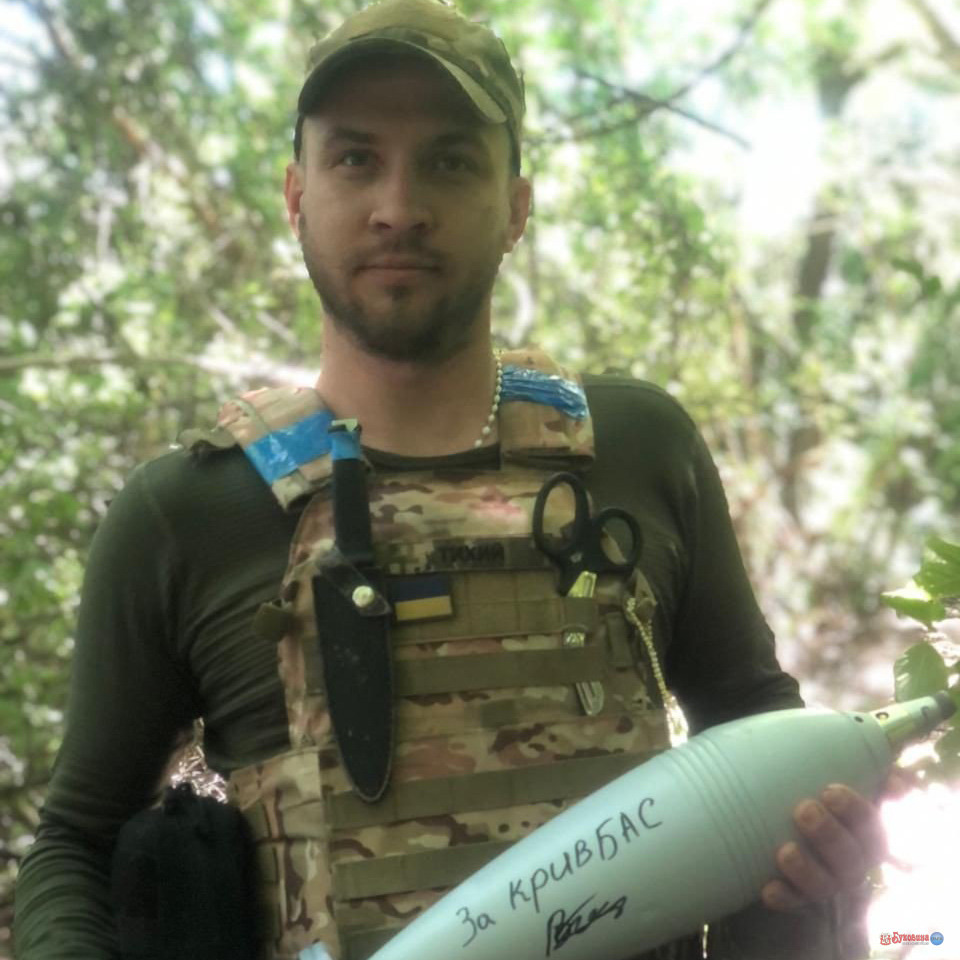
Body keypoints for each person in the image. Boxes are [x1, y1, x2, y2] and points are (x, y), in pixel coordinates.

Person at [13, 1, 894, 958]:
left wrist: (829, 861)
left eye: (450, 161)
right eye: (356, 158)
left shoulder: (640, 450)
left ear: (516, 207)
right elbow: (76, 843)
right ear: (296, 196)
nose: (400, 206)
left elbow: (767, 752)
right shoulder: (190, 514)